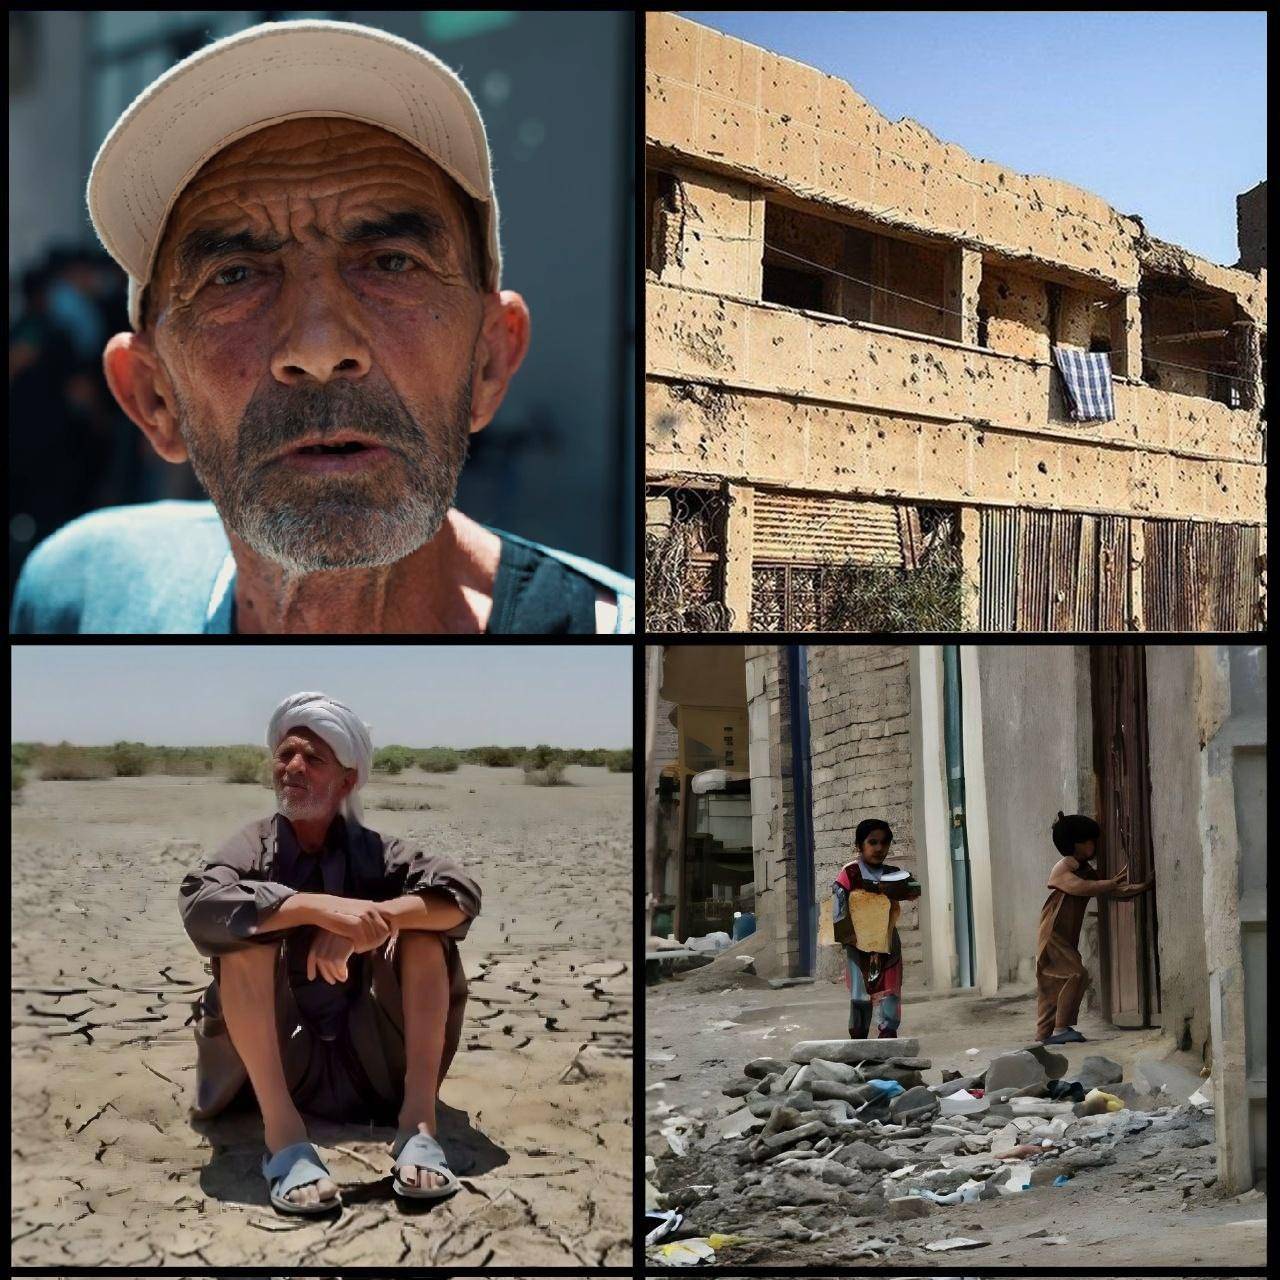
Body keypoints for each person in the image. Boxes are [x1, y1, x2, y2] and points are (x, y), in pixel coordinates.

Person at [11, 19, 633, 634]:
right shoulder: (81, 594)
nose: (319, 348)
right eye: (234, 276)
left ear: (489, 362)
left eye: (392, 263)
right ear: (152, 398)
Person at [178, 692, 480, 1214]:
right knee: (243, 938)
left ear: (347, 780)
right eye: (285, 754)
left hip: (370, 1061)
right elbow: (200, 904)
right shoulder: (254, 846)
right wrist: (313, 908)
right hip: (276, 1070)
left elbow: (458, 895)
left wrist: (373, 920)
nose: (292, 767)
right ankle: (285, 1139)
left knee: (426, 932)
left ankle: (419, 1125)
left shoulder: (374, 852)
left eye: (312, 758)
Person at [1036, 811, 1153, 1045]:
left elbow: (1111, 891)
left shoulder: (1085, 869)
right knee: (1076, 974)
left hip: (1065, 935)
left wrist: (1142, 886)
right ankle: (1060, 1030)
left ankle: (1045, 1033)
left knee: (1055, 982)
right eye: (1090, 840)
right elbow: (1081, 888)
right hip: (1053, 933)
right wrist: (1108, 883)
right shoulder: (1063, 867)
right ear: (1077, 844)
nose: (1094, 845)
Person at [831, 818, 922, 1040]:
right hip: (858, 942)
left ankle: (888, 1036)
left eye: (884, 843)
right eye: (873, 842)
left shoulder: (893, 873)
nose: (879, 848)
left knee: (890, 990)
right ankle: (859, 1039)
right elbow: (838, 906)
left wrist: (901, 889)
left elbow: (914, 890)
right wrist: (847, 937)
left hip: (888, 942)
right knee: (860, 994)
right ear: (859, 846)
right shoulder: (850, 873)